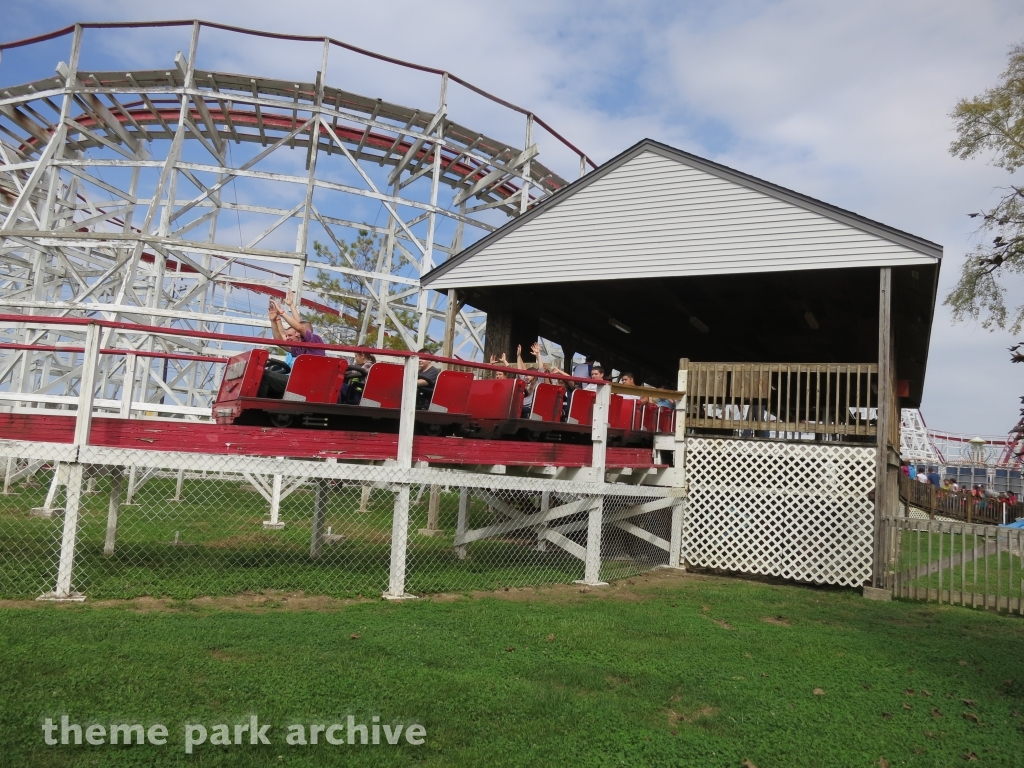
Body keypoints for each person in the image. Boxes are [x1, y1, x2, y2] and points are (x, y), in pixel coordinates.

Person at [259, 293, 326, 398]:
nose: (297, 334)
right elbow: (279, 341)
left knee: (263, 374)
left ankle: (257, 408)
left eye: (297, 332)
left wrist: (282, 312)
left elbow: (299, 326)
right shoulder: (299, 348)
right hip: (297, 380)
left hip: (305, 383)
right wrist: (274, 320)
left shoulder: (315, 341)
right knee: (260, 373)